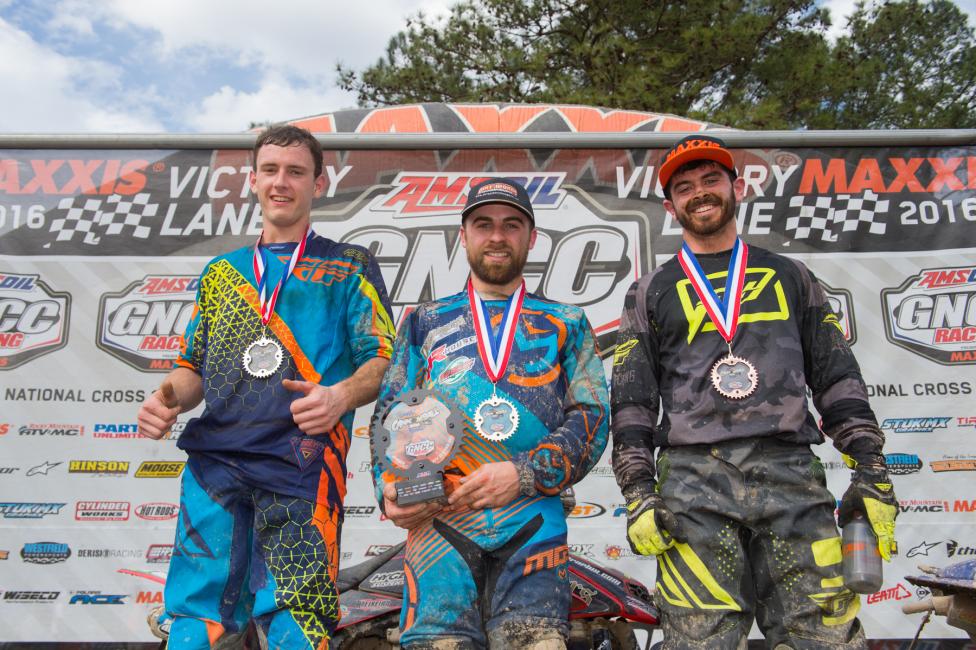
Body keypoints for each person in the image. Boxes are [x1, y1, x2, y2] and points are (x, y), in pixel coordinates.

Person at [610, 135, 897, 649]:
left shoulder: (790, 275)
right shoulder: (649, 290)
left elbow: (836, 378)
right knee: (698, 643)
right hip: (691, 489)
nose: (700, 193)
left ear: (735, 187)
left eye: (711, 180)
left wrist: (871, 469)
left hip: (791, 478)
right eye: (685, 186)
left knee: (826, 638)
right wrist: (638, 492)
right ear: (669, 206)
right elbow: (632, 401)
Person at [136, 124, 395, 649]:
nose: (282, 182)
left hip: (300, 461)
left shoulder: (350, 265)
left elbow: (383, 360)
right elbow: (193, 370)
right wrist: (165, 399)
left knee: (296, 617)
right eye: (271, 170)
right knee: (193, 615)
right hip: (214, 464)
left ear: (318, 184)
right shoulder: (222, 273)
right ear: (253, 181)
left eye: (296, 172)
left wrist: (339, 397)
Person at [373, 178, 609, 649]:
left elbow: (592, 416)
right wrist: (390, 491)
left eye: (511, 225)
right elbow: (389, 418)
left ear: (531, 237)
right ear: (464, 236)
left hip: (533, 527)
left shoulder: (567, 321)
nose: (497, 236)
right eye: (483, 225)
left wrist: (525, 474)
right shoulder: (424, 321)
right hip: (437, 530)